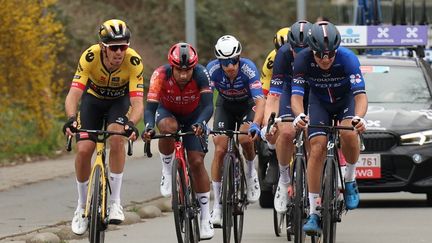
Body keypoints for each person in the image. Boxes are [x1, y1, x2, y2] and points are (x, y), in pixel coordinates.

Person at [63, 19, 143, 235]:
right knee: (84, 149)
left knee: (117, 137)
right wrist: (71, 118)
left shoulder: (133, 61)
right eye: (114, 48)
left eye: (123, 47)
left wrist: (131, 124)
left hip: (119, 102)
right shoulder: (89, 57)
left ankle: (116, 202)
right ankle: (81, 206)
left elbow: (137, 103)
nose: (119, 52)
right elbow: (74, 94)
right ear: (103, 48)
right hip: (93, 101)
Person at [290, 21, 368, 235]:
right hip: (319, 103)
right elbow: (296, 96)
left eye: (330, 55)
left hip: (345, 102)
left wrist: (359, 118)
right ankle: (314, 212)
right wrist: (299, 115)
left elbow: (360, 95)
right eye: (319, 56)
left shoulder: (348, 58)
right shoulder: (303, 60)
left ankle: (350, 179)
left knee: (349, 133)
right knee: (316, 148)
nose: (325, 60)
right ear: (311, 50)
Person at [141, 42, 214, 240]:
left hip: (194, 115)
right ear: (171, 66)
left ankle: (206, 216)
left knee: (197, 162)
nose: (183, 75)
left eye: (187, 70)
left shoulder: (201, 74)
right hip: (168, 112)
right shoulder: (160, 75)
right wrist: (148, 126)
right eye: (179, 70)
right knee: (167, 129)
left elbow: (209, 107)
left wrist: (200, 123)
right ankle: (166, 169)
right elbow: (149, 109)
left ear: (194, 67)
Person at [206, 35, 265, 227]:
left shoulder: (248, 69)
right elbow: (204, 100)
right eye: (225, 62)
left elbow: (260, 101)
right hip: (225, 106)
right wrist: (202, 122)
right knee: (220, 148)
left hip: (247, 105)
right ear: (219, 61)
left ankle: (250, 172)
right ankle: (218, 206)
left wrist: (256, 124)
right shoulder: (212, 70)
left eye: (233, 61)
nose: (230, 66)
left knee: (245, 138)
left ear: (239, 58)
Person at [261, 20, 313, 213]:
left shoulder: (320, 55)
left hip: (314, 92)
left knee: (313, 138)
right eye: (294, 50)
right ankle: (284, 181)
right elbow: (273, 95)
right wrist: (269, 121)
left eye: (303, 50)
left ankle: (315, 185)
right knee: (286, 132)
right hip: (290, 90)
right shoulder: (282, 54)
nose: (298, 54)